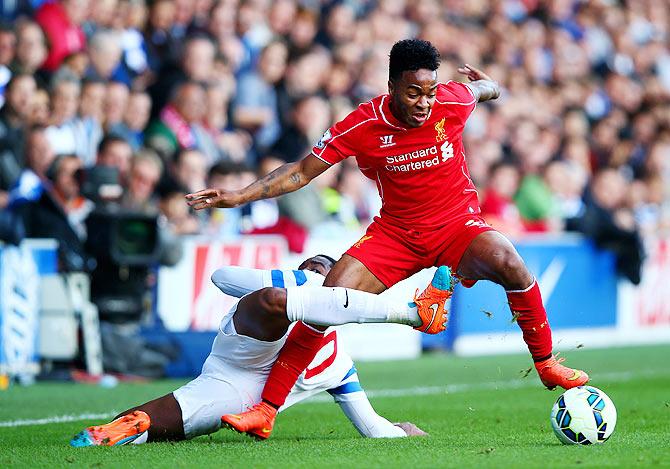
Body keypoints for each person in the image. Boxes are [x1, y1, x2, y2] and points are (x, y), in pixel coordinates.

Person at [186, 39, 589, 439]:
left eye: (430, 93)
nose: (424, 103)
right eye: (413, 93)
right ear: (392, 86)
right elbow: (301, 172)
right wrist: (239, 195)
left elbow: (480, 90)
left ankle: (546, 362)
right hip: (396, 234)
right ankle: (267, 409)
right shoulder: (363, 123)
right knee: (325, 301)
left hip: (456, 225)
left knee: (510, 262)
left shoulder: (452, 100)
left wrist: (491, 85)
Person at [69, 255, 428, 446]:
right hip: (243, 351)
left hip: (235, 394)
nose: (312, 274)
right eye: (307, 270)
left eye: (322, 271)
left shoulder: (338, 364)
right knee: (276, 301)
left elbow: (372, 427)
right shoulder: (289, 290)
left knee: (140, 424)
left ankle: (108, 435)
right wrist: (300, 282)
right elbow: (222, 276)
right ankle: (410, 313)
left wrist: (402, 431)